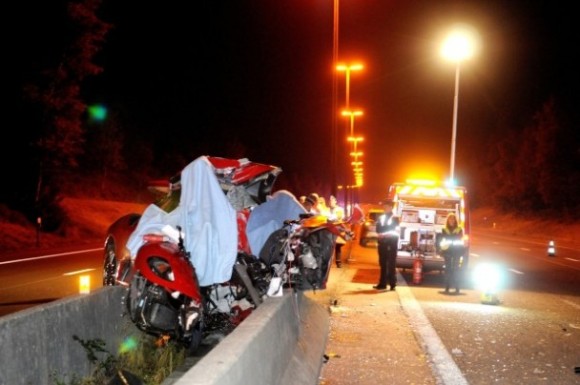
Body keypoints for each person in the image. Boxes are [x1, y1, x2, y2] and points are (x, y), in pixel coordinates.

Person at [374, 200, 400, 291]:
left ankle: (392, 283)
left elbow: (393, 229)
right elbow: (377, 229)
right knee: (382, 263)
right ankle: (382, 283)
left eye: (386, 206)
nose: (384, 208)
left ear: (391, 207)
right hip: (382, 243)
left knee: (391, 264)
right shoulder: (381, 217)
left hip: (391, 243)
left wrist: (383, 230)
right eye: (384, 206)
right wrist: (384, 230)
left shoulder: (395, 218)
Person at [440, 213, 465, 294]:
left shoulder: (459, 229)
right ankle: (447, 287)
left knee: (456, 270)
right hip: (447, 252)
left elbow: (461, 241)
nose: (451, 220)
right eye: (450, 219)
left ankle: (457, 288)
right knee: (448, 270)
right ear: (448, 220)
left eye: (453, 219)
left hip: (457, 252)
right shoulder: (444, 229)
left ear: (455, 221)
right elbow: (442, 241)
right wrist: (441, 251)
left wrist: (462, 251)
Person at [327, 195, 346, 268]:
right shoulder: (326, 209)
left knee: (338, 245)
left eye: (332, 200)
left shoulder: (339, 209)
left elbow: (339, 218)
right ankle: (328, 262)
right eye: (329, 200)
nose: (330, 202)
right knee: (329, 246)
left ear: (335, 201)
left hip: (337, 229)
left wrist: (331, 219)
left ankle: (338, 262)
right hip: (328, 229)